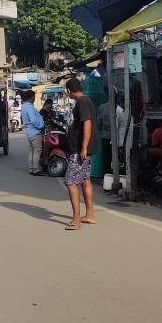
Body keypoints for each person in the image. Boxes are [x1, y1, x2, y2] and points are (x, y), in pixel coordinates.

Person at [64, 78, 96, 230]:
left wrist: (83, 147)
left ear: (69, 90)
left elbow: (87, 123)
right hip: (82, 150)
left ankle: (76, 219)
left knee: (70, 182)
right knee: (85, 180)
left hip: (78, 150)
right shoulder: (86, 101)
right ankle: (89, 215)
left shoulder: (82, 102)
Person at [21, 90, 45, 176]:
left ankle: (31, 169)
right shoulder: (30, 107)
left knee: (31, 151)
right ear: (31, 97)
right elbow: (34, 121)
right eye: (34, 96)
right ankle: (35, 170)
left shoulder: (24, 106)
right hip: (35, 132)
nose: (34, 98)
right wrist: (41, 126)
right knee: (37, 151)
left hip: (29, 131)